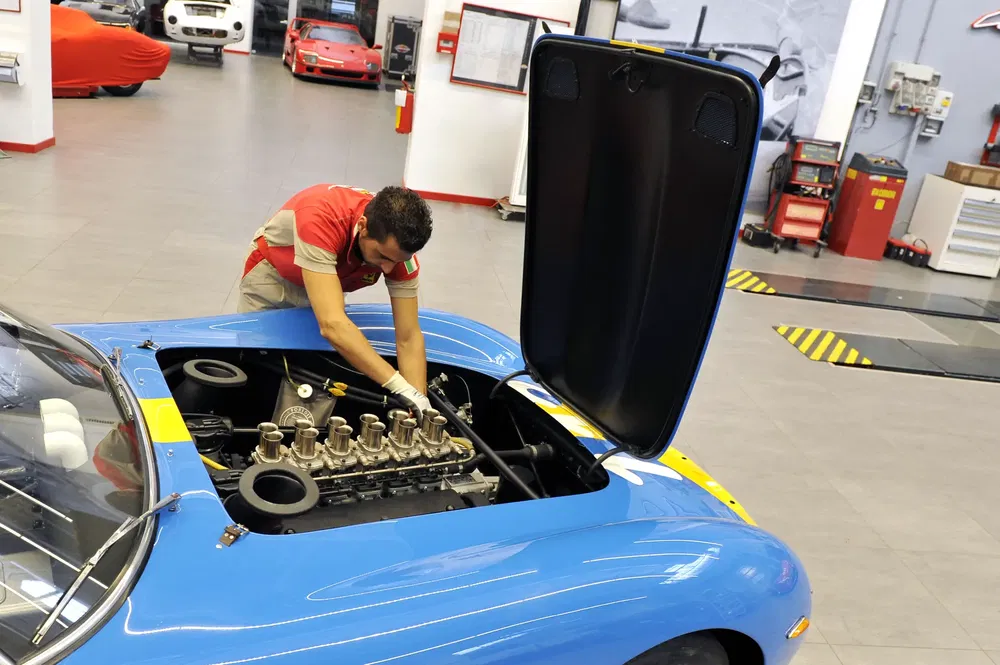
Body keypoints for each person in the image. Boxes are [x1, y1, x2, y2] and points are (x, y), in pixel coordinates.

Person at [238, 184, 434, 415]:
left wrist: (418, 400)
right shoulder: (321, 217)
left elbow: (408, 337)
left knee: (313, 362)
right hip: (275, 277)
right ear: (362, 227)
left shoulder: (399, 254)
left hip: (328, 276)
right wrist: (398, 385)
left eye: (396, 261)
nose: (388, 268)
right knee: (256, 360)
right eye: (382, 256)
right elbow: (332, 324)